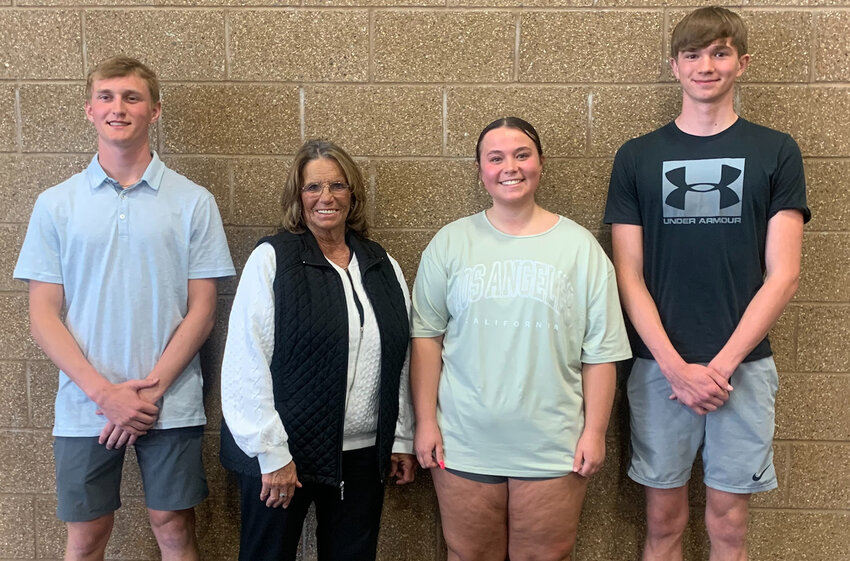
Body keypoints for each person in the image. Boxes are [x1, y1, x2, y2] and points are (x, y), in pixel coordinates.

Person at [604, 7, 810, 560]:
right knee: (663, 522)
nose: (705, 66)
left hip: (742, 369)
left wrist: (717, 369)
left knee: (729, 526)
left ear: (743, 63)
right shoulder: (638, 156)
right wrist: (676, 367)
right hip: (658, 372)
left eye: (720, 53)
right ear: (674, 66)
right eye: (693, 55)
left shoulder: (776, 151)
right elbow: (628, 273)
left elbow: (784, 274)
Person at [13, 56, 235, 561]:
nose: (119, 108)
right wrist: (105, 395)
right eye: (108, 97)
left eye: (132, 98)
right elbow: (43, 315)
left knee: (174, 527)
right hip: (84, 405)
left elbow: (203, 308)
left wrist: (148, 392)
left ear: (154, 111)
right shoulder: (56, 204)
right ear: (89, 109)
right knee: (87, 535)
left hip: (170, 400)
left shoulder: (193, 201)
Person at [410, 117, 631, 561]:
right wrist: (426, 421)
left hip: (553, 443)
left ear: (540, 164)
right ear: (480, 170)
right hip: (464, 438)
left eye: (521, 154)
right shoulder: (450, 243)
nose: (509, 167)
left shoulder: (579, 247)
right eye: (496, 158)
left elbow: (601, 352)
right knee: (469, 554)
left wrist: (595, 431)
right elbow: (426, 338)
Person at [219, 139, 417, 561]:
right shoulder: (273, 259)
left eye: (337, 186)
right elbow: (245, 360)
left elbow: (399, 356)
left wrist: (401, 436)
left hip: (363, 456)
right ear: (298, 197)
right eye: (313, 188)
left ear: (353, 194)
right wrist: (270, 453)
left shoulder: (382, 264)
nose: (326, 197)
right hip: (284, 452)